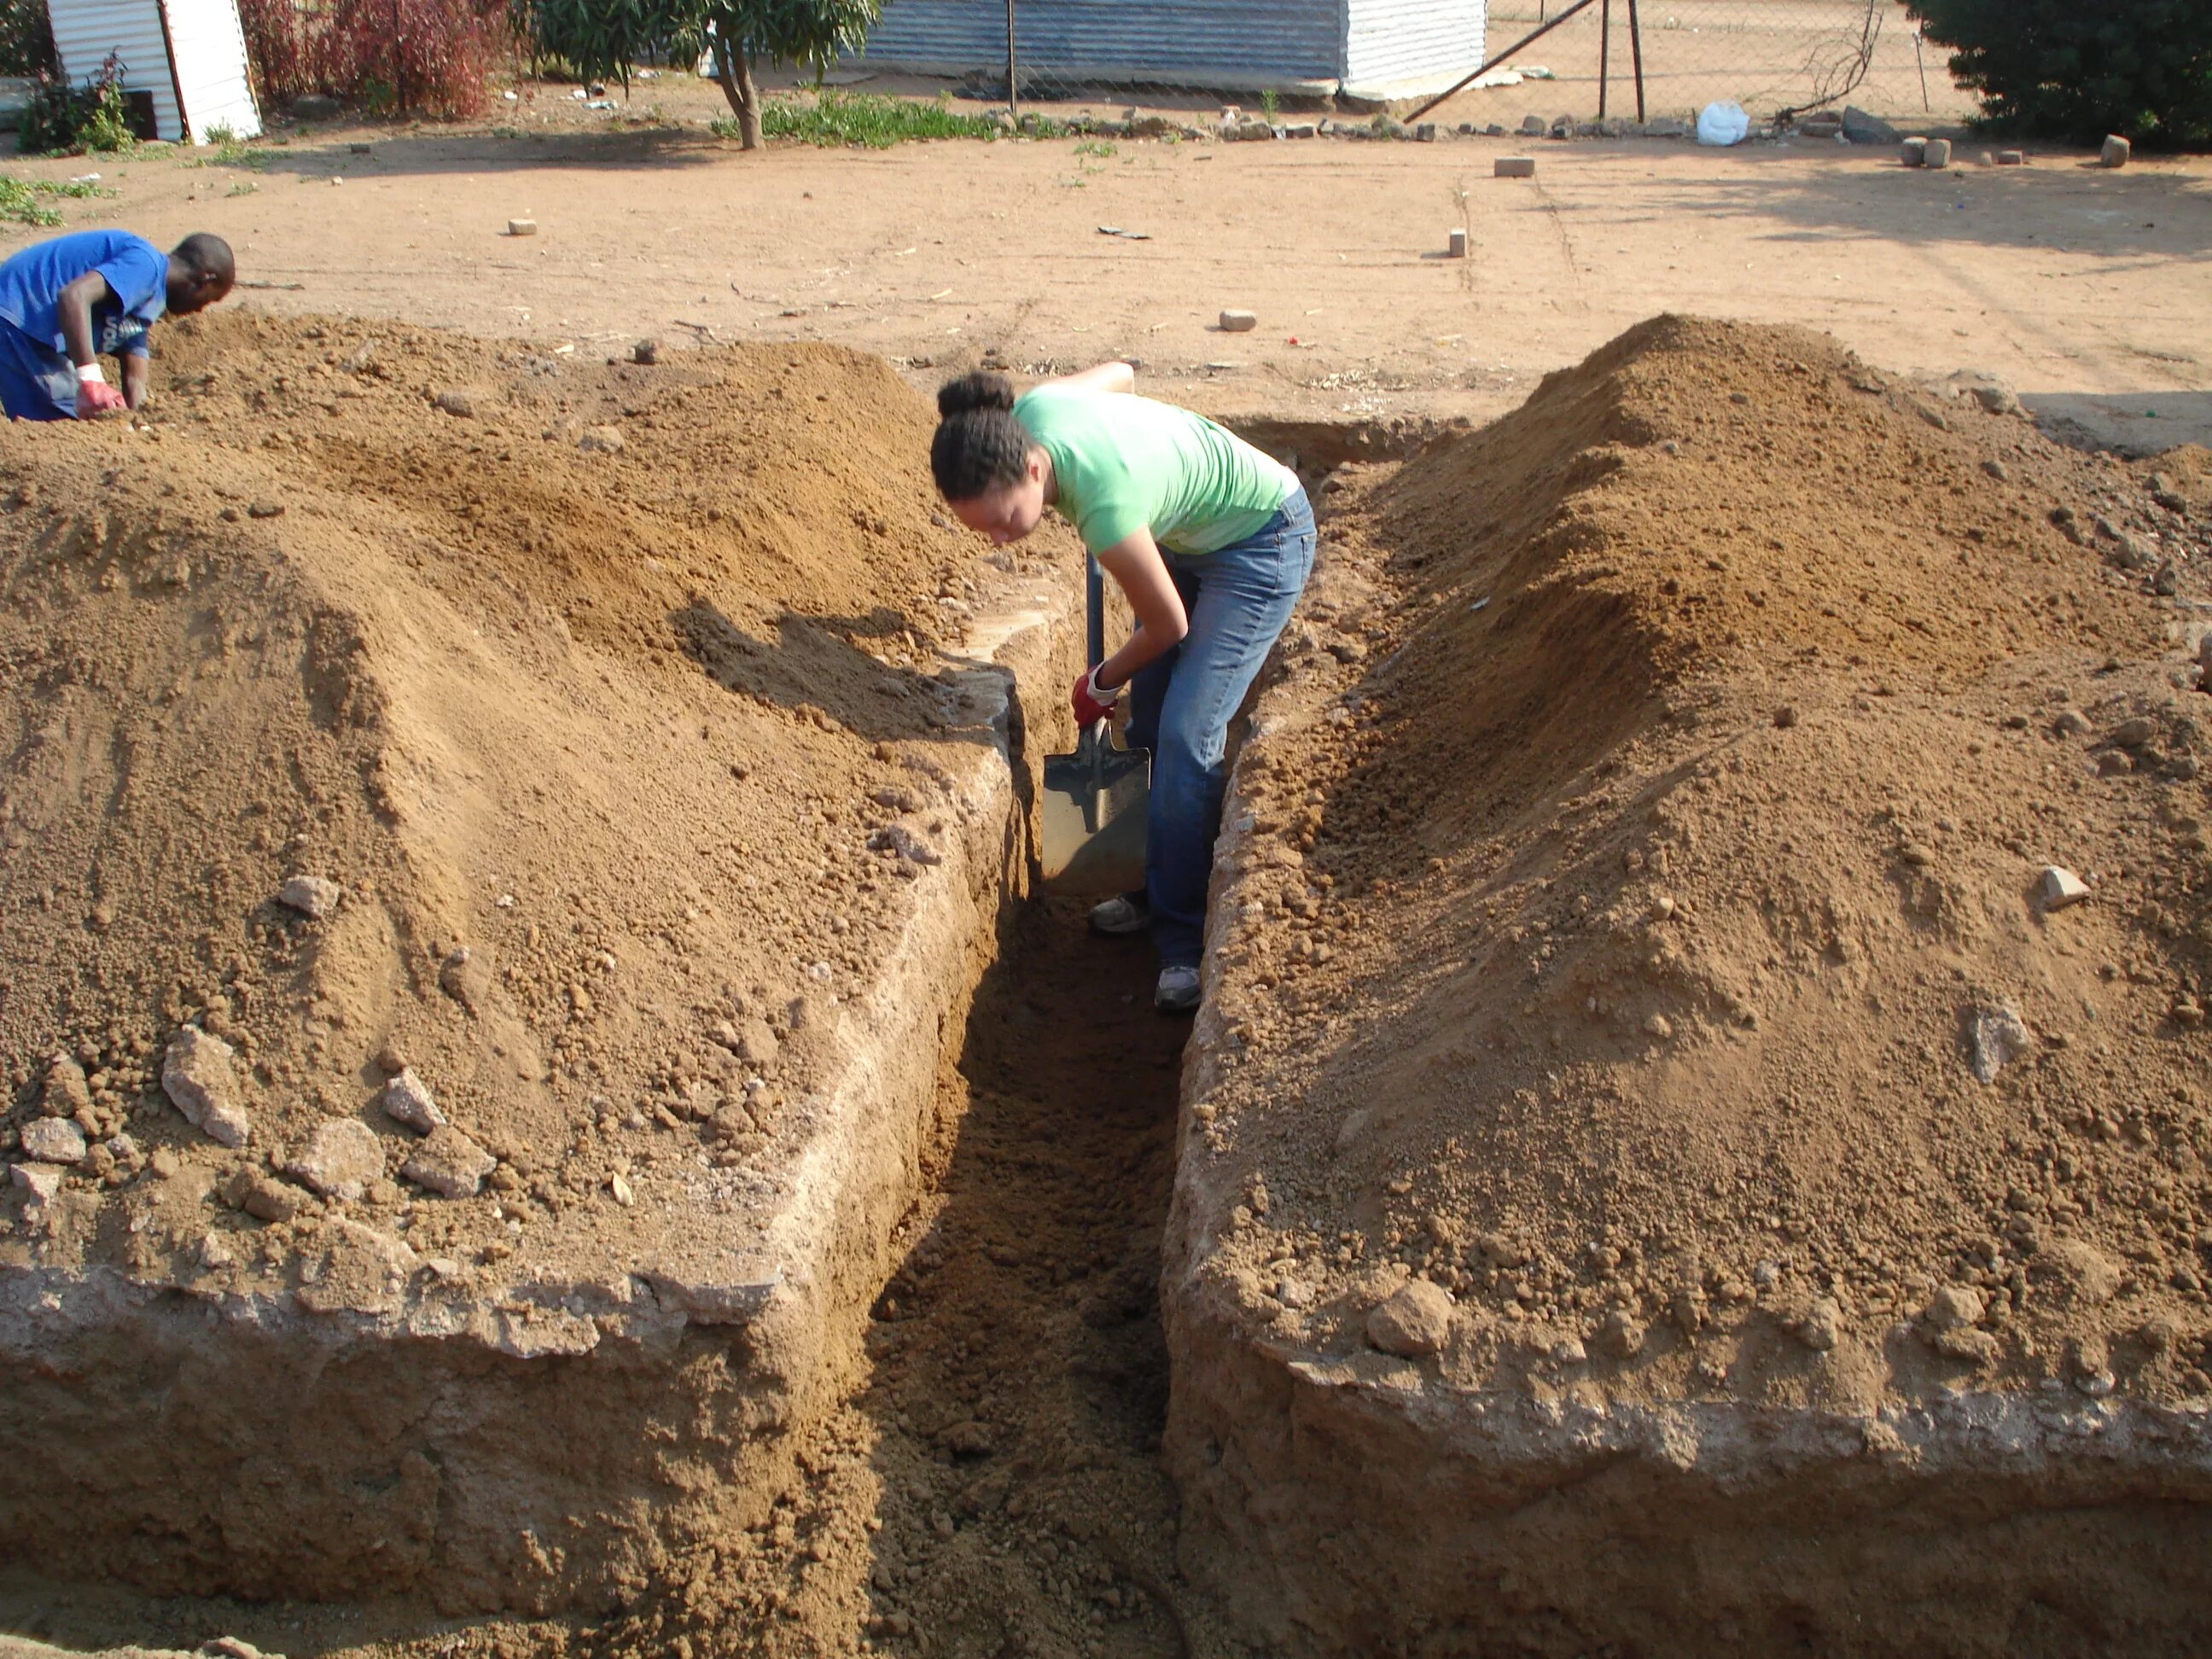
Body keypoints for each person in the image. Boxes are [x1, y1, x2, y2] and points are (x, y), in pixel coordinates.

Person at [931, 364, 1315, 1013]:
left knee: (1187, 735)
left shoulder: (1107, 510)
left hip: (1261, 539)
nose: (998, 540)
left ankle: (1182, 944)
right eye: (982, 531)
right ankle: (1148, 883)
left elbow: (1169, 625)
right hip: (1183, 534)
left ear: (1032, 470)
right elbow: (1123, 375)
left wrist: (1103, 680)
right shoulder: (1031, 414)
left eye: (1003, 521)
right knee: (1150, 721)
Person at [0, 229, 235, 422]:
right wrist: (91, 380)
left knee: (83, 419)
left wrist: (140, 426)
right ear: (205, 280)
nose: (201, 310)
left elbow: (134, 381)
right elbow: (74, 296)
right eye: (211, 299)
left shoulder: (148, 303)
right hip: (18, 314)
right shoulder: (146, 265)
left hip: (28, 332)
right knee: (62, 425)